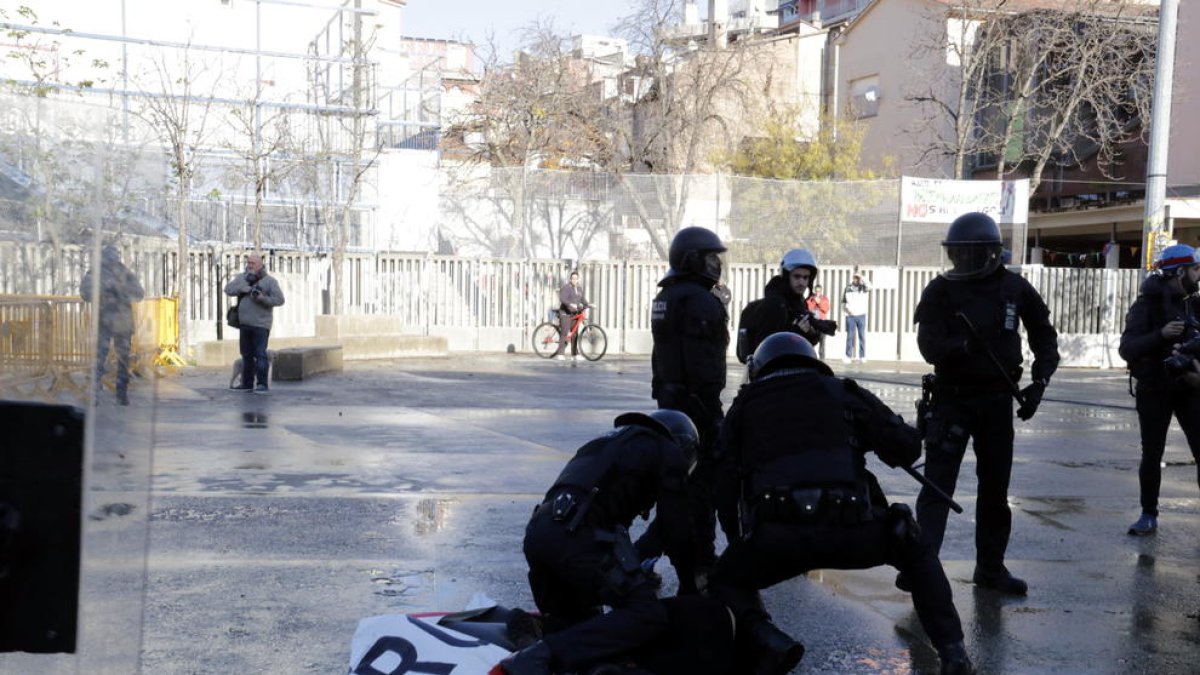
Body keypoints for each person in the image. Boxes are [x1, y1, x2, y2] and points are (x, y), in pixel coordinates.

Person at [708, 332, 974, 675]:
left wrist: (739, 541)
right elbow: (906, 447)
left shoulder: (745, 406)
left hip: (777, 539)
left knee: (724, 580)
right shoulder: (843, 392)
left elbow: (723, 483)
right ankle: (953, 655)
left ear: (758, 369)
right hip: (852, 530)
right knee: (915, 547)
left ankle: (769, 640)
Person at [907, 212, 1059, 596]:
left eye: (966, 254)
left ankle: (990, 568)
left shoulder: (1014, 288)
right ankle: (922, 568)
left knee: (995, 488)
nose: (960, 262)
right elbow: (928, 346)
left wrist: (1039, 383)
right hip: (951, 398)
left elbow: (1045, 337)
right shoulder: (940, 291)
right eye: (955, 254)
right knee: (938, 486)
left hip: (996, 400)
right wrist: (963, 346)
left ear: (987, 254)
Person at [499, 410, 701, 675]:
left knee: (584, 627)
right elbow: (677, 528)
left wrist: (637, 563)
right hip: (577, 539)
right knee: (646, 614)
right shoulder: (666, 449)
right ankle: (540, 655)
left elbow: (620, 529)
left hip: (540, 535)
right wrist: (689, 586)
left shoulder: (608, 444)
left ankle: (533, 631)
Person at [649, 226, 729, 572]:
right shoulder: (699, 300)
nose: (717, 264)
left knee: (674, 485)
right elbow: (704, 361)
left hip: (669, 403)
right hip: (698, 406)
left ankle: (645, 557)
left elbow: (663, 355)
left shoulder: (666, 296)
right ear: (693, 259)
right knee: (704, 488)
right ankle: (702, 563)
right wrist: (710, 410)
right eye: (711, 257)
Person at [1118, 243, 1200, 536]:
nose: (1198, 274)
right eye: (1194, 269)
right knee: (1152, 454)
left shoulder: (1194, 303)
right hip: (1153, 389)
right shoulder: (1146, 305)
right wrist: (1161, 335)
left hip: (1190, 389)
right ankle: (1148, 514)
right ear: (1179, 271)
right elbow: (1126, 348)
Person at [736, 248, 832, 362]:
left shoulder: (799, 303)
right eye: (797, 276)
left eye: (805, 277)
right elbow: (766, 346)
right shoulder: (774, 304)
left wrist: (810, 331)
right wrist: (796, 331)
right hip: (773, 372)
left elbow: (805, 344)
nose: (802, 282)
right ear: (787, 276)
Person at [80, 245, 144, 406]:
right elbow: (85, 293)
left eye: (113, 258)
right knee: (100, 358)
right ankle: (95, 393)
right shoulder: (95, 273)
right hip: (105, 321)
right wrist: (102, 289)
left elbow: (139, 294)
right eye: (109, 259)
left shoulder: (125, 273)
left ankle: (121, 393)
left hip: (122, 323)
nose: (112, 262)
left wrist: (120, 289)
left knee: (122, 360)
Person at [224, 253, 285, 394]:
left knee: (260, 354)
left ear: (260, 264)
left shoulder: (269, 281)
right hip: (244, 323)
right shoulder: (242, 278)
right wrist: (241, 288)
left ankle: (262, 384)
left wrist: (263, 298)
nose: (250, 265)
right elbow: (228, 289)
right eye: (249, 262)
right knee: (246, 354)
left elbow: (280, 300)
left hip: (261, 325)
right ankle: (247, 383)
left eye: (253, 263)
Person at [553, 270, 591, 361]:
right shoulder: (566, 288)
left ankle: (574, 354)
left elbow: (583, 299)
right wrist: (570, 304)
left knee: (575, 334)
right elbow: (562, 299)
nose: (574, 280)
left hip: (574, 313)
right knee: (565, 332)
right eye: (573, 278)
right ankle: (560, 353)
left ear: (578, 279)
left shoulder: (580, 289)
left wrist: (589, 305)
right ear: (570, 279)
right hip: (565, 313)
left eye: (576, 279)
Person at [842, 272, 869, 363]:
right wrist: (846, 311)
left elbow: (870, 286)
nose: (856, 280)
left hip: (861, 315)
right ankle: (848, 356)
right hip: (850, 316)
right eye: (855, 278)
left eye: (857, 278)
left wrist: (862, 277)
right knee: (850, 336)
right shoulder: (848, 288)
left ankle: (862, 356)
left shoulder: (863, 287)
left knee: (862, 336)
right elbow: (843, 301)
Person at [807, 283, 831, 358]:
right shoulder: (810, 298)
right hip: (813, 324)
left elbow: (826, 309)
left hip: (822, 323)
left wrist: (819, 302)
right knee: (811, 341)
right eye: (816, 291)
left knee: (822, 342)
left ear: (821, 291)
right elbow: (808, 308)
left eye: (819, 291)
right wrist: (814, 301)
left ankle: (822, 357)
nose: (817, 293)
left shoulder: (824, 298)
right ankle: (812, 356)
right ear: (814, 291)